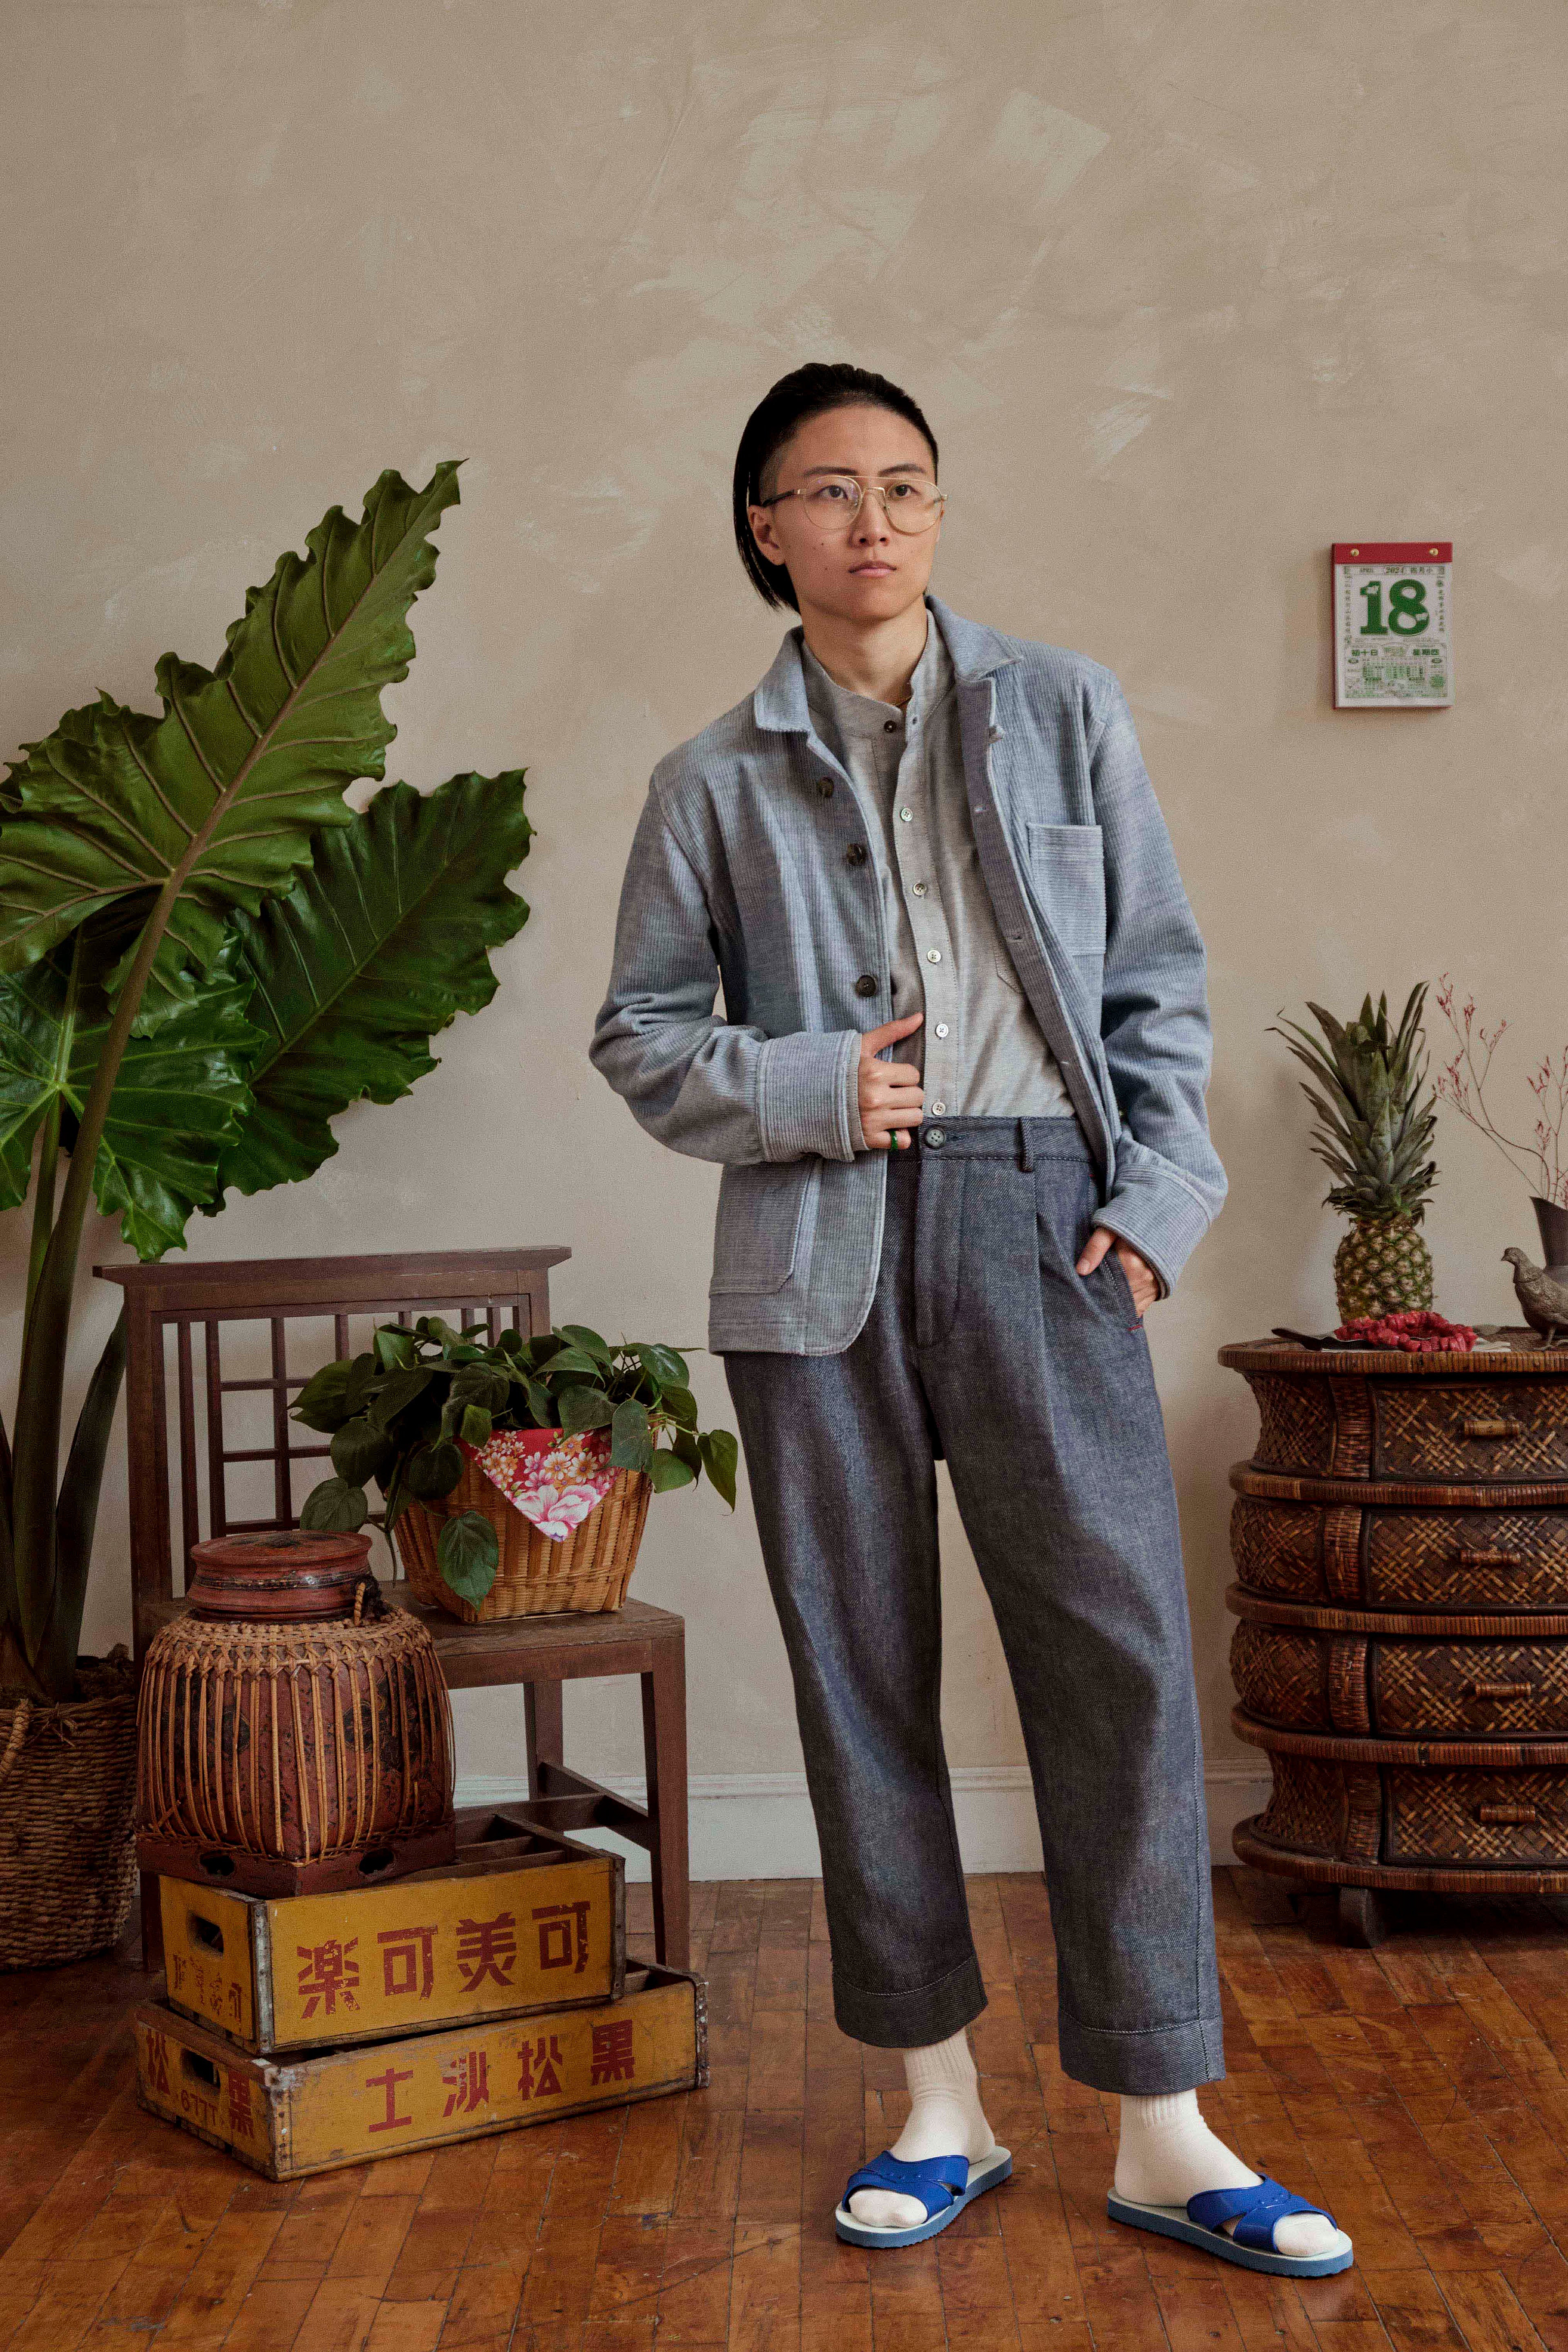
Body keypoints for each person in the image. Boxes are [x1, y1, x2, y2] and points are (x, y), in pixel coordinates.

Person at [589, 362, 1351, 2278]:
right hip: (814, 1249)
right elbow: (642, 1032)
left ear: (939, 512)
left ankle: (1165, 2126)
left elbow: (1158, 976)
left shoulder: (1063, 708)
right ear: (766, 528)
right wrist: (812, 1087)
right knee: (858, 1667)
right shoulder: (709, 780)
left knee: (1118, 1660)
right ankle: (938, 2104)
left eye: (908, 485)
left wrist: (1155, 1212)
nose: (877, 519)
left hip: (1045, 1226)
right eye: (832, 489)